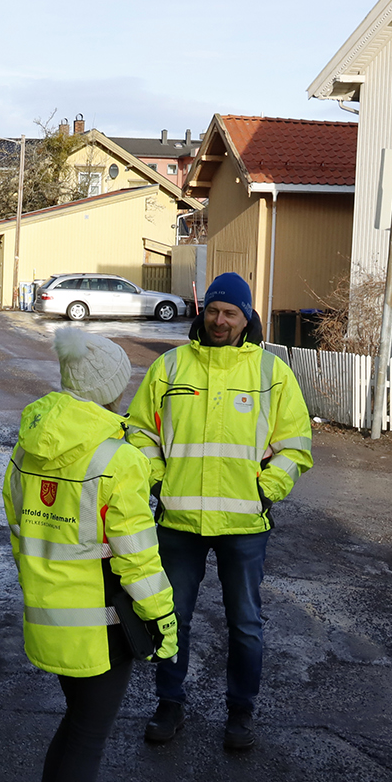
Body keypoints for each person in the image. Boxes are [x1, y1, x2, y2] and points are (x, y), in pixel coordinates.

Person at [5, 328, 178, 782]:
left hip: (48, 615)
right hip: (102, 623)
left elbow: (17, 524)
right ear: (111, 389)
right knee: (88, 734)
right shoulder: (118, 459)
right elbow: (137, 557)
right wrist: (164, 621)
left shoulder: (28, 442)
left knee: (76, 724)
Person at [124, 271, 313, 751]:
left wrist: (266, 490)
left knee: (245, 623)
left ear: (247, 317)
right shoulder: (169, 368)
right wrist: (159, 480)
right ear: (202, 312)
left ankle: (241, 713)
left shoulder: (271, 373)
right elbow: (141, 432)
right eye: (213, 310)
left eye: (230, 312)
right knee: (171, 618)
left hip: (245, 525)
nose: (219, 320)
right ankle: (169, 704)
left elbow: (295, 445)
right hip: (179, 522)